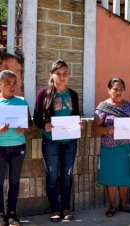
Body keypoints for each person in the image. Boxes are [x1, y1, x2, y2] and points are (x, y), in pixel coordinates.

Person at [33, 59, 81, 222]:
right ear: (51, 75)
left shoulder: (73, 94)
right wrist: (44, 125)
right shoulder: (43, 94)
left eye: (65, 73)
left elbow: (76, 116)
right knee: (53, 175)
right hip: (51, 141)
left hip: (70, 142)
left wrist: (78, 124)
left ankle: (66, 208)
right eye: (58, 74)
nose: (62, 77)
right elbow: (37, 118)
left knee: (67, 175)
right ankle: (55, 209)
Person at [92, 78, 130, 217]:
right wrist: (109, 130)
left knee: (125, 177)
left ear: (124, 90)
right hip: (110, 148)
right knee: (111, 178)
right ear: (109, 90)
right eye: (115, 89)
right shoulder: (102, 107)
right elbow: (95, 128)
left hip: (127, 147)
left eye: (121, 89)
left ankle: (123, 205)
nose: (118, 91)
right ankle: (112, 206)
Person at [0, 70, 32, 226]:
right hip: (0, 147)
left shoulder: (21, 101)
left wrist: (23, 127)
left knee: (14, 181)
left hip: (18, 146)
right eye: (7, 83)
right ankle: (0, 215)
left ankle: (12, 214)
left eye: (14, 83)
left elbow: (29, 123)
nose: (12, 87)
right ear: (0, 84)